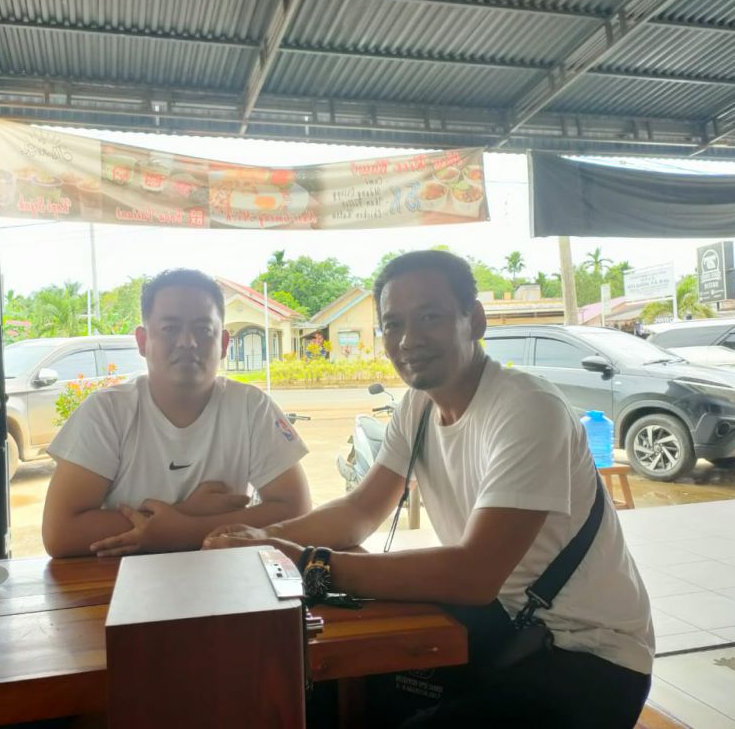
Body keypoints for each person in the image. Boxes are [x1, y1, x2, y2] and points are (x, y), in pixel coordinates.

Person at [205, 251, 654, 728]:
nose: (408, 339)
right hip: (496, 627)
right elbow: (360, 511)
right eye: (393, 324)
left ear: (474, 320)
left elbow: (473, 574)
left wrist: (308, 563)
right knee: (330, 694)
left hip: (589, 654)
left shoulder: (527, 409)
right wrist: (266, 540)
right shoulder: (417, 407)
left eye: (430, 317)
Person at [41, 268, 312, 558]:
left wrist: (186, 529)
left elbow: (297, 510)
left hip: (224, 575)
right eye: (170, 328)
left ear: (223, 344)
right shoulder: (107, 412)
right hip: (122, 578)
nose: (187, 342)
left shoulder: (250, 407)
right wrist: (187, 511)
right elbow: (60, 533)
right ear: (142, 341)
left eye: (203, 330)